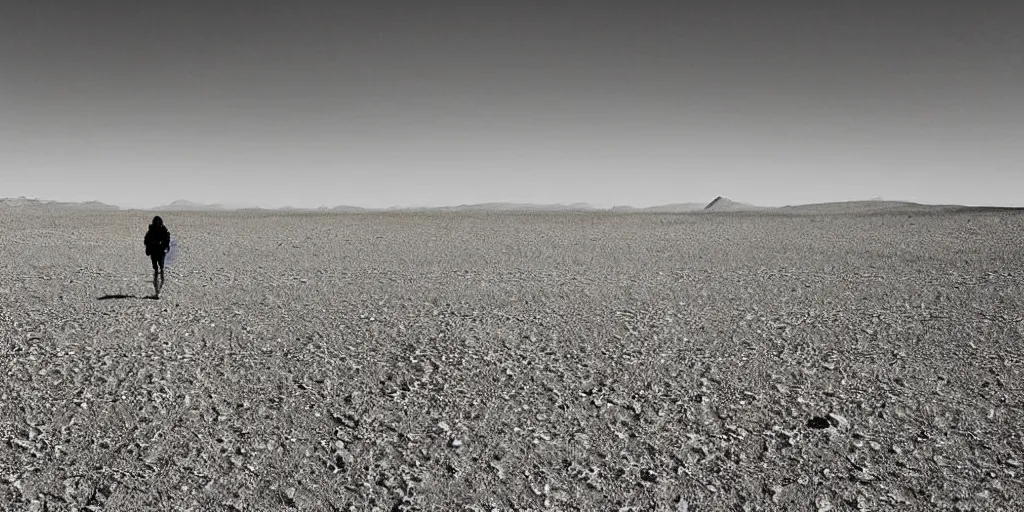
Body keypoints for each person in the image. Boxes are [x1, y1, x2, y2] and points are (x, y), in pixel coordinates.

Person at [144, 216, 171, 298]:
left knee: (159, 269)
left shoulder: (162, 231)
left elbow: (167, 241)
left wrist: (164, 246)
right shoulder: (152, 231)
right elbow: (146, 241)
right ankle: (157, 291)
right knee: (157, 269)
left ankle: (158, 291)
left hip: (159, 252)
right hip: (155, 252)